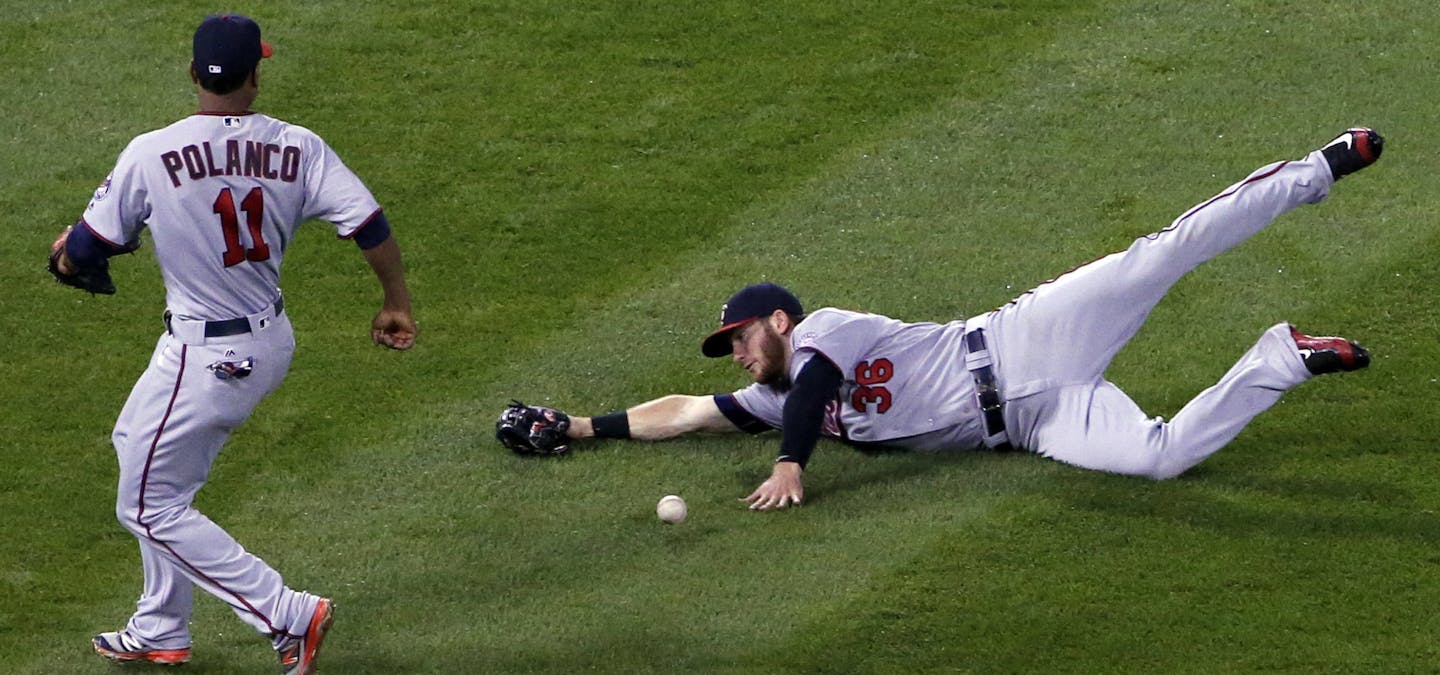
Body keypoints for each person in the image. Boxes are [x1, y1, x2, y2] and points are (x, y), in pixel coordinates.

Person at [499, 128, 1381, 511]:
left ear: (774, 321)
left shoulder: (823, 337)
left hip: (1022, 338)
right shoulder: (778, 393)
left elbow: (811, 395)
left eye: (737, 338)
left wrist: (791, 464)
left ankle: (1320, 167)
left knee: (1158, 256)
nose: (733, 356)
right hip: (1033, 424)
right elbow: (685, 410)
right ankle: (1284, 359)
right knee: (1161, 456)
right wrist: (579, 424)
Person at [49, 15, 416, 674]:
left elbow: (82, 249)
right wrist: (395, 301)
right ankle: (161, 627)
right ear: (255, 76)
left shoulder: (150, 152)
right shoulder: (297, 147)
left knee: (146, 502)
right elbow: (367, 223)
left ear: (194, 74)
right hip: (263, 342)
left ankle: (288, 613)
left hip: (207, 357)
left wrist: (70, 259)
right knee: (137, 442)